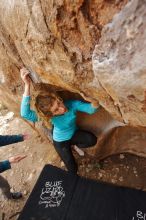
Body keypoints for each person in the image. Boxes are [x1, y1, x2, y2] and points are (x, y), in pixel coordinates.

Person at [20, 67, 101, 173]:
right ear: (50, 115)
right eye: (56, 110)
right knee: (72, 169)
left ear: (57, 98)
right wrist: (27, 85)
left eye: (58, 103)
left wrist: (94, 100)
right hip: (60, 142)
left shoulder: (71, 104)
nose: (62, 108)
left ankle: (75, 145)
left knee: (92, 140)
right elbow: (25, 113)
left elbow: (91, 109)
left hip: (72, 134)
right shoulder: (48, 117)